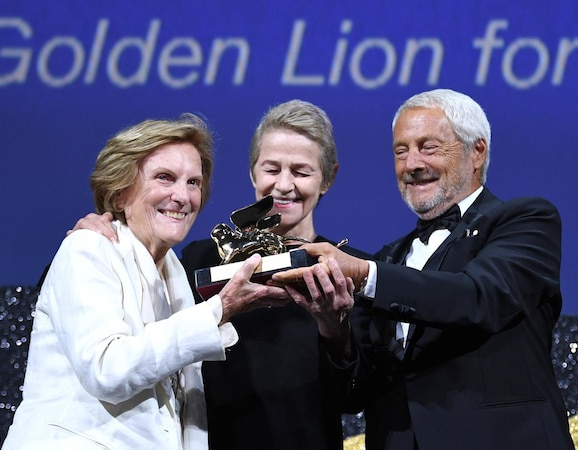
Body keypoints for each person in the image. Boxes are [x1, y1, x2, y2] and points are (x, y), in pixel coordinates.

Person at [273, 89, 575, 450]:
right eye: (401, 151)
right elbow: (354, 394)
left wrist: (367, 275)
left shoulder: (525, 221)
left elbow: (477, 298)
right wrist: (332, 327)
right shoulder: (390, 258)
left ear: (476, 152)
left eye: (428, 147)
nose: (412, 164)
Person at [68, 100, 370, 450]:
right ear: (252, 172)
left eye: (301, 172)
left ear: (328, 178)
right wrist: (97, 234)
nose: (284, 185)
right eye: (272, 169)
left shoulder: (347, 270)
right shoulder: (198, 259)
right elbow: (97, 299)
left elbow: (356, 398)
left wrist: (334, 328)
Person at [3, 114, 294, 449]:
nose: (183, 196)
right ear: (122, 190)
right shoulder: (89, 248)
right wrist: (219, 310)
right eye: (165, 178)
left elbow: (184, 410)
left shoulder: (174, 274)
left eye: (193, 183)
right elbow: (107, 370)